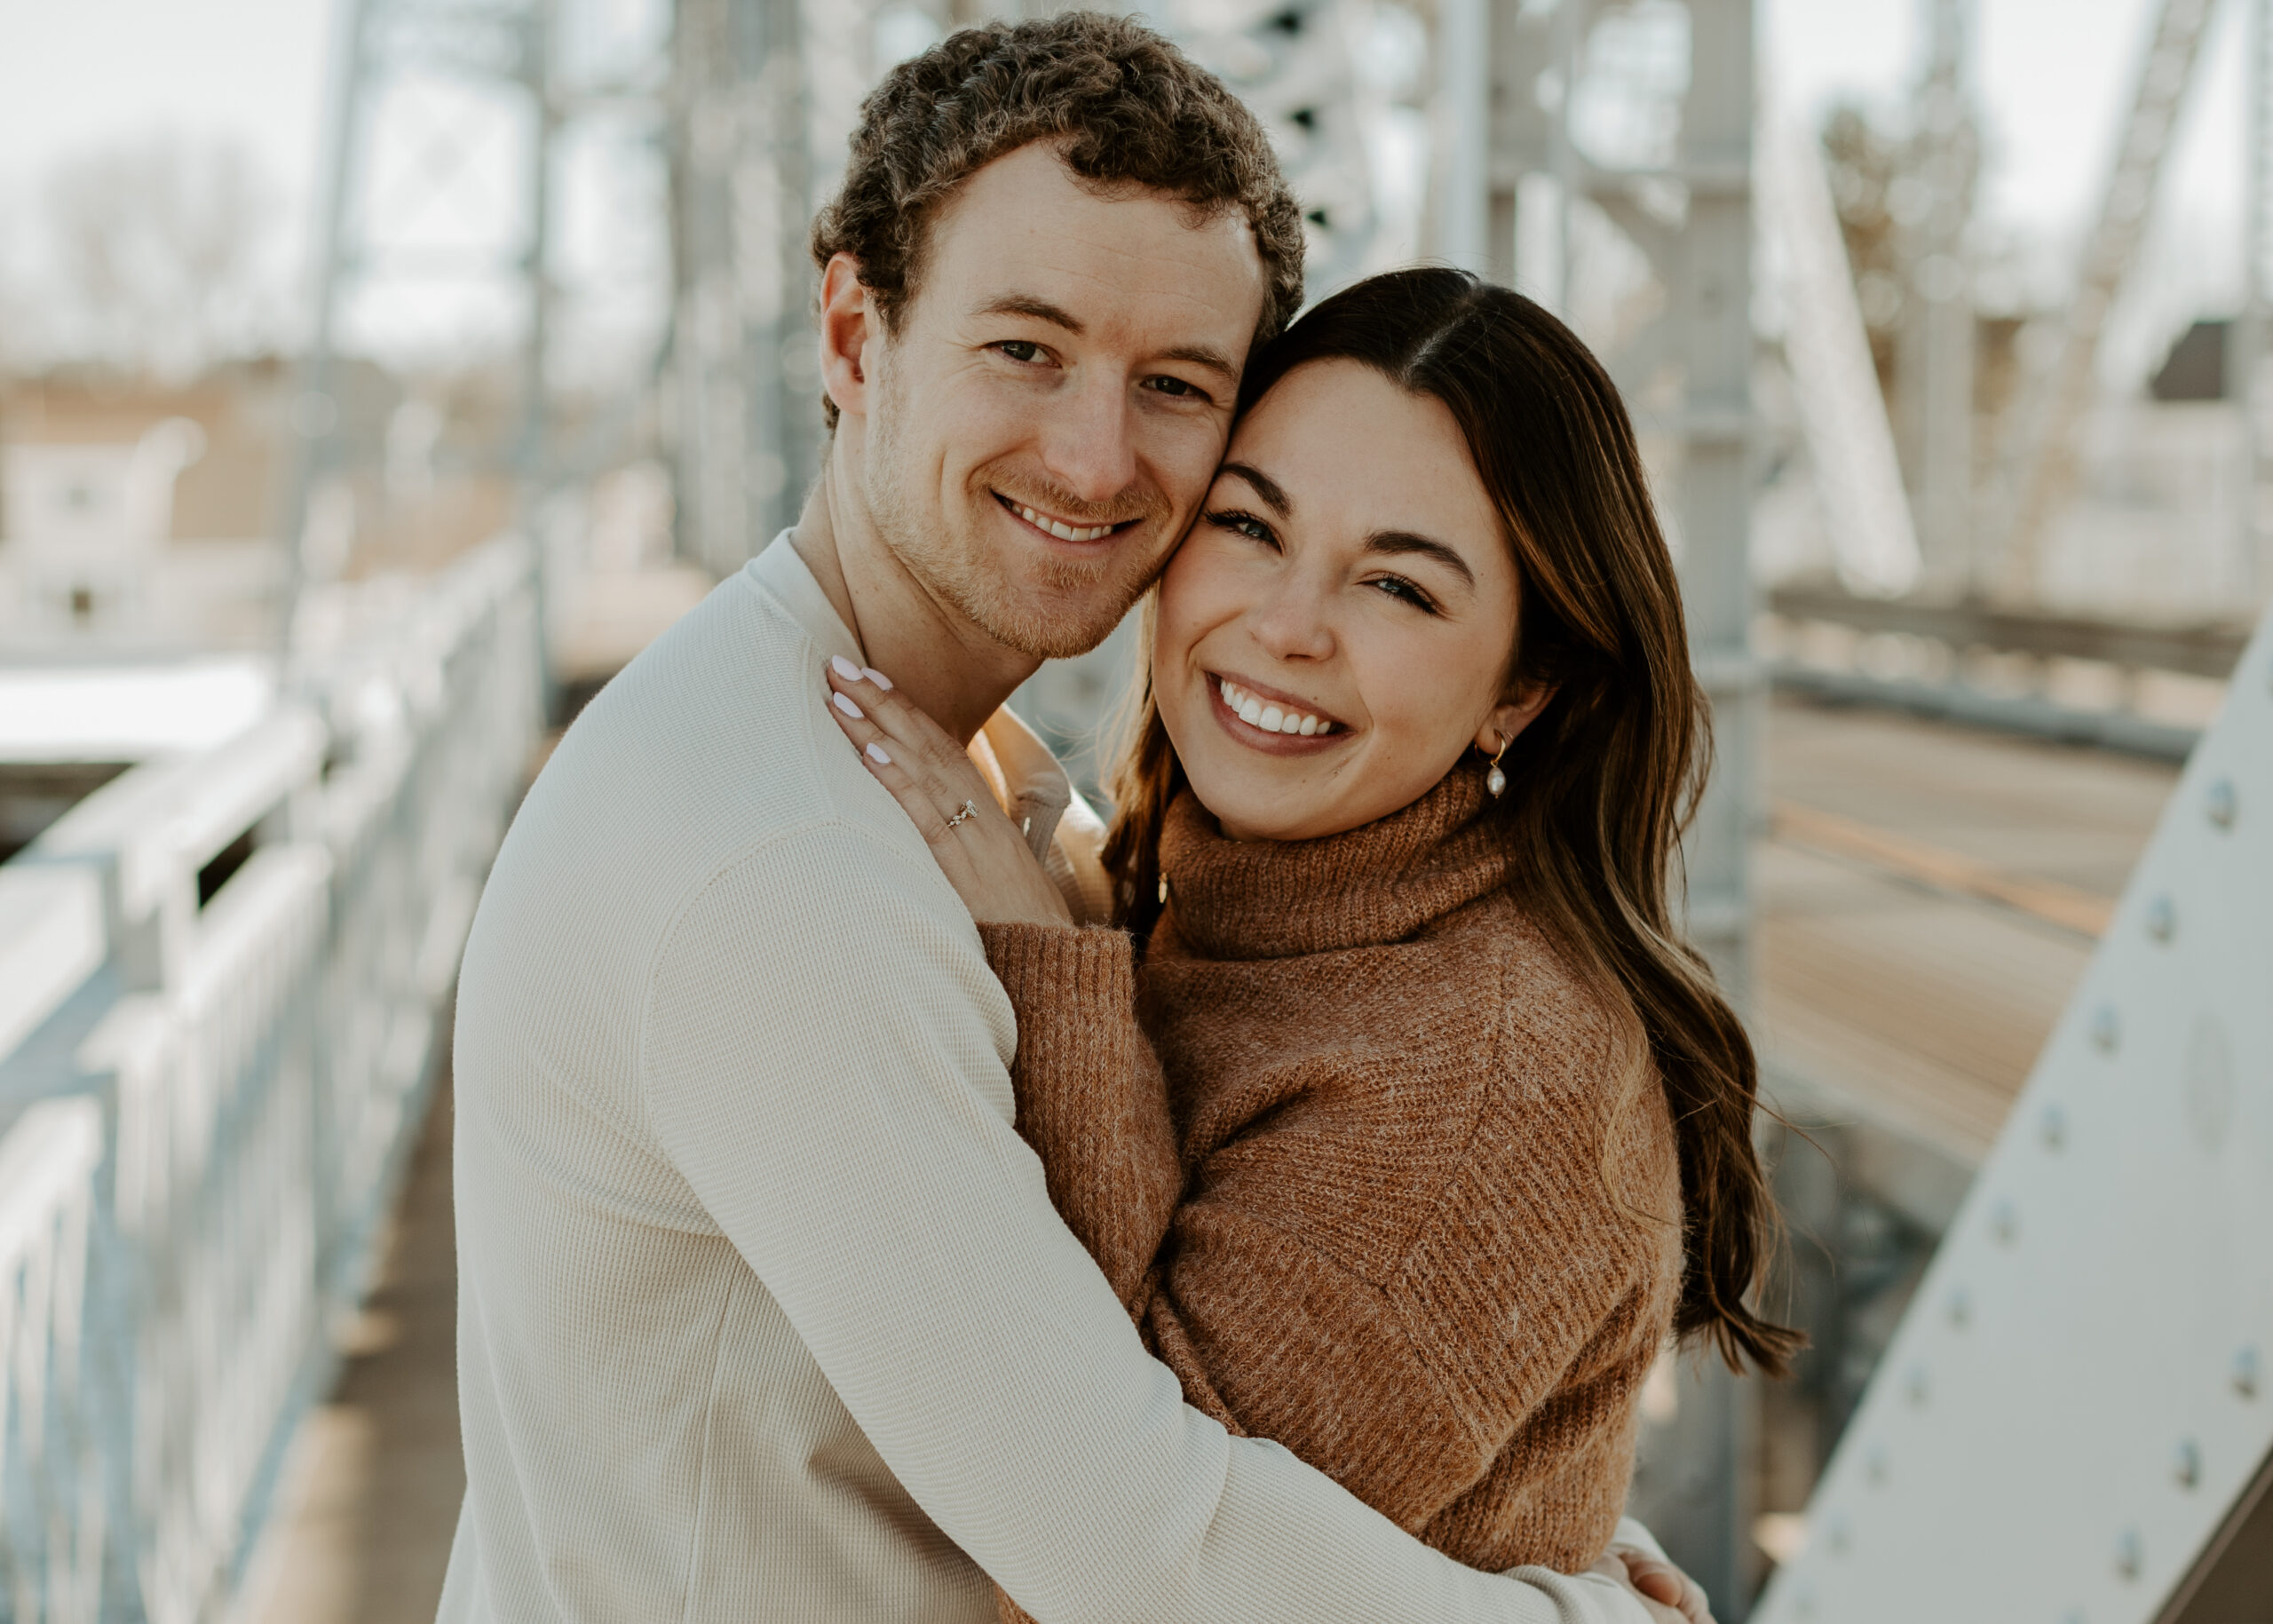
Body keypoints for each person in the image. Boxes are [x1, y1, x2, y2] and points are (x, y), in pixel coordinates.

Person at [440, 15, 1705, 1623]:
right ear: (850, 337)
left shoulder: (943, 783)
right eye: (1025, 349)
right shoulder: (801, 874)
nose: (1097, 456)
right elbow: (1136, 1549)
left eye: (1175, 386)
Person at [824, 266, 1802, 1624]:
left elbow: (1094, 1560)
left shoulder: (1482, 1077)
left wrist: (1038, 969)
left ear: (1521, 686)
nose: (1286, 627)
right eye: (1249, 524)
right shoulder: (1232, 903)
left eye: (1398, 585)